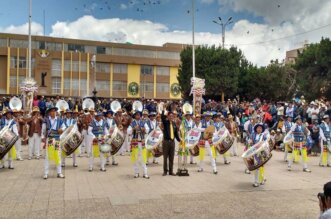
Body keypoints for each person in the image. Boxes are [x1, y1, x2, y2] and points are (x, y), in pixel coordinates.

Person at [42, 106, 66, 179]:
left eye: (54, 111)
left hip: (57, 140)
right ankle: (46, 173)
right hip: (49, 139)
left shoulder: (59, 119)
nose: (53, 112)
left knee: (58, 155)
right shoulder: (46, 120)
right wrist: (43, 137)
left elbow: (64, 127)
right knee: (47, 156)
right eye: (52, 111)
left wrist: (61, 129)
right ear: (49, 113)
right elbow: (43, 130)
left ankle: (59, 172)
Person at [129, 110, 150, 178]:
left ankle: (145, 173)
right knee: (135, 157)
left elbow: (147, 129)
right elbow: (128, 132)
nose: (138, 116)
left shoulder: (143, 122)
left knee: (143, 157)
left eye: (139, 115)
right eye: (136, 115)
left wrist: (142, 129)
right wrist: (133, 129)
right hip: (135, 142)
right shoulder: (132, 123)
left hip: (142, 142)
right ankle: (136, 172)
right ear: (134, 116)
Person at [161, 110, 181, 176]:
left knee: (171, 157)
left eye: (172, 116)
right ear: (168, 116)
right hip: (166, 142)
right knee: (165, 157)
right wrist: (164, 110)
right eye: (170, 116)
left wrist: (179, 140)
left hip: (172, 142)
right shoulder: (165, 122)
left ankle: (171, 171)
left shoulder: (174, 123)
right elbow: (162, 117)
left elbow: (175, 134)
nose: (171, 117)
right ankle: (165, 171)